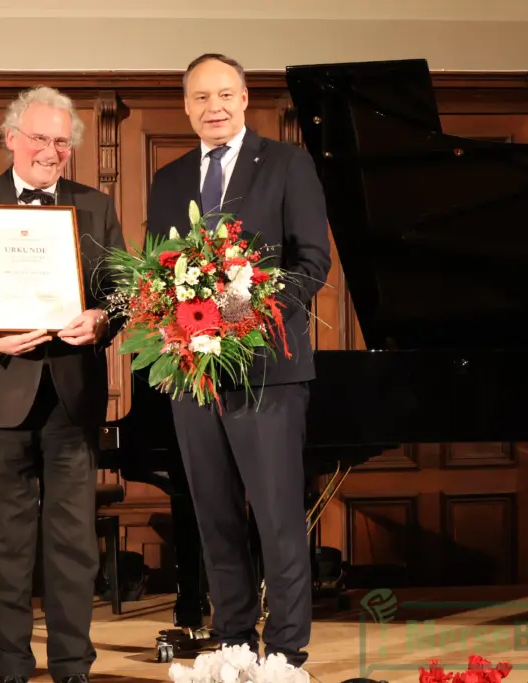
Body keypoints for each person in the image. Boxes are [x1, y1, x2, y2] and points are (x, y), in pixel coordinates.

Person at [144, 53, 332, 667]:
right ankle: (231, 644)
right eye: (200, 98)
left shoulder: (287, 163)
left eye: (224, 94)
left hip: (268, 372)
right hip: (193, 376)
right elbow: (158, 278)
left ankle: (285, 653)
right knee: (214, 517)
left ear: (246, 98)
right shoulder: (168, 179)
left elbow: (311, 263)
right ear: (187, 106)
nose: (214, 107)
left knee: (278, 520)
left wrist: (245, 313)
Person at [0, 85, 125, 683]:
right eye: (40, 138)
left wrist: (101, 320)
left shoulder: (94, 206)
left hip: (72, 397)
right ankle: (11, 661)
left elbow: (120, 293)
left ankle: (73, 664)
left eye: (62, 142)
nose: (51, 150)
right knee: (4, 541)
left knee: (73, 543)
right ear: (12, 137)